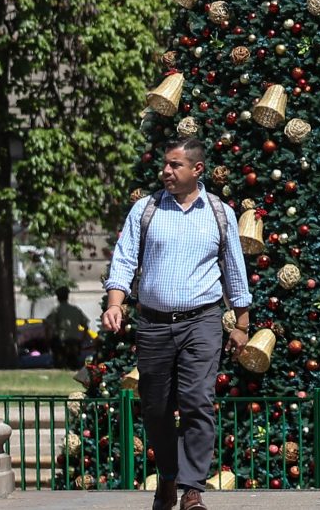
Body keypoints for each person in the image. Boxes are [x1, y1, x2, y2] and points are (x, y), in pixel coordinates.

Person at [103, 138, 252, 510]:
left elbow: (234, 268)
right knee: (155, 407)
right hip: (152, 324)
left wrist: (242, 323)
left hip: (201, 321)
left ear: (196, 170)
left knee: (197, 401)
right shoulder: (146, 208)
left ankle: (192, 489)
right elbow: (123, 260)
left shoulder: (219, 212)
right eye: (165, 165)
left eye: (174, 165)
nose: (166, 172)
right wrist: (115, 303)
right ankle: (167, 477)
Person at [45, 285, 89, 371]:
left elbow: (48, 325)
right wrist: (82, 340)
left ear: (57, 297)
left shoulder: (57, 310)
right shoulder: (76, 310)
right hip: (75, 341)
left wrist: (48, 339)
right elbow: (86, 326)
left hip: (61, 341)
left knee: (59, 364)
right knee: (74, 364)